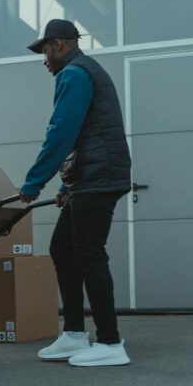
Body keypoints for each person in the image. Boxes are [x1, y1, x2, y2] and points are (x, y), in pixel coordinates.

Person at [18, 19, 132, 367]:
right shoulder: (84, 71)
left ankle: (111, 343)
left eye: (45, 51)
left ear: (60, 44)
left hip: (99, 178)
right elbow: (85, 135)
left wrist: (33, 182)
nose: (44, 60)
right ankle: (74, 334)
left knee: (88, 254)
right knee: (63, 250)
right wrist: (67, 186)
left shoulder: (75, 73)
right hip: (91, 177)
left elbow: (62, 132)